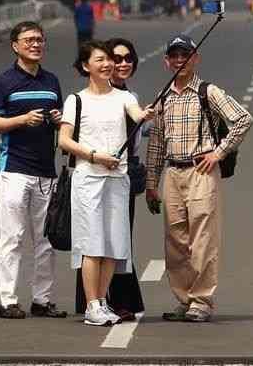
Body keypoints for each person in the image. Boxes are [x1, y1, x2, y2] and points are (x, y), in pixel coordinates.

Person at [145, 34, 253, 323]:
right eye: (175, 56)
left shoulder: (208, 91)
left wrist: (218, 153)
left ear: (196, 58)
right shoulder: (163, 96)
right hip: (172, 173)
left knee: (202, 239)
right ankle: (184, 299)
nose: (180, 61)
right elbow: (156, 141)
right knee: (176, 241)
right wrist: (151, 183)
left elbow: (243, 119)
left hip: (201, 171)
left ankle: (202, 301)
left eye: (186, 55)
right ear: (167, 61)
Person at [59, 42, 155, 326]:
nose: (107, 64)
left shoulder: (122, 98)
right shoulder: (75, 101)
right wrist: (94, 156)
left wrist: (146, 114)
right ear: (86, 66)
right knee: (93, 244)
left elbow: (138, 115)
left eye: (109, 60)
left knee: (114, 244)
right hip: (88, 178)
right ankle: (91, 305)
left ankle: (102, 302)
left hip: (118, 179)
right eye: (99, 60)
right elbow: (64, 140)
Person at [0, 21, 68, 320]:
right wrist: (21, 120)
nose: (36, 44)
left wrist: (57, 119)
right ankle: (8, 300)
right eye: (29, 40)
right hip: (15, 170)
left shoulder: (51, 81)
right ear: (15, 45)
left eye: (40, 40)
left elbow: (60, 122)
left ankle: (42, 300)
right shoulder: (3, 82)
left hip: (46, 171)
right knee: (12, 237)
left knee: (46, 240)